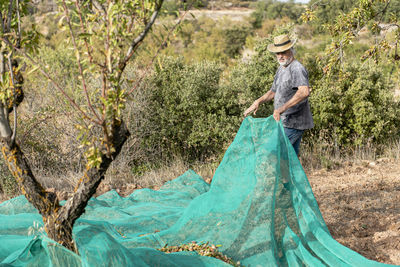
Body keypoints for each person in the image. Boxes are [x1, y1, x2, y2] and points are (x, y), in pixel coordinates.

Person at [243, 34, 314, 156]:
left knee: (274, 154)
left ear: (291, 50)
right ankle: (290, 176)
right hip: (284, 121)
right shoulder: (281, 68)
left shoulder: (296, 68)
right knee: (290, 159)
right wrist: (257, 102)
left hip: (294, 123)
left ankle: (280, 176)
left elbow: (304, 91)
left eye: (284, 52)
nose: (280, 56)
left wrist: (280, 109)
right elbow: (273, 92)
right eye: (278, 53)